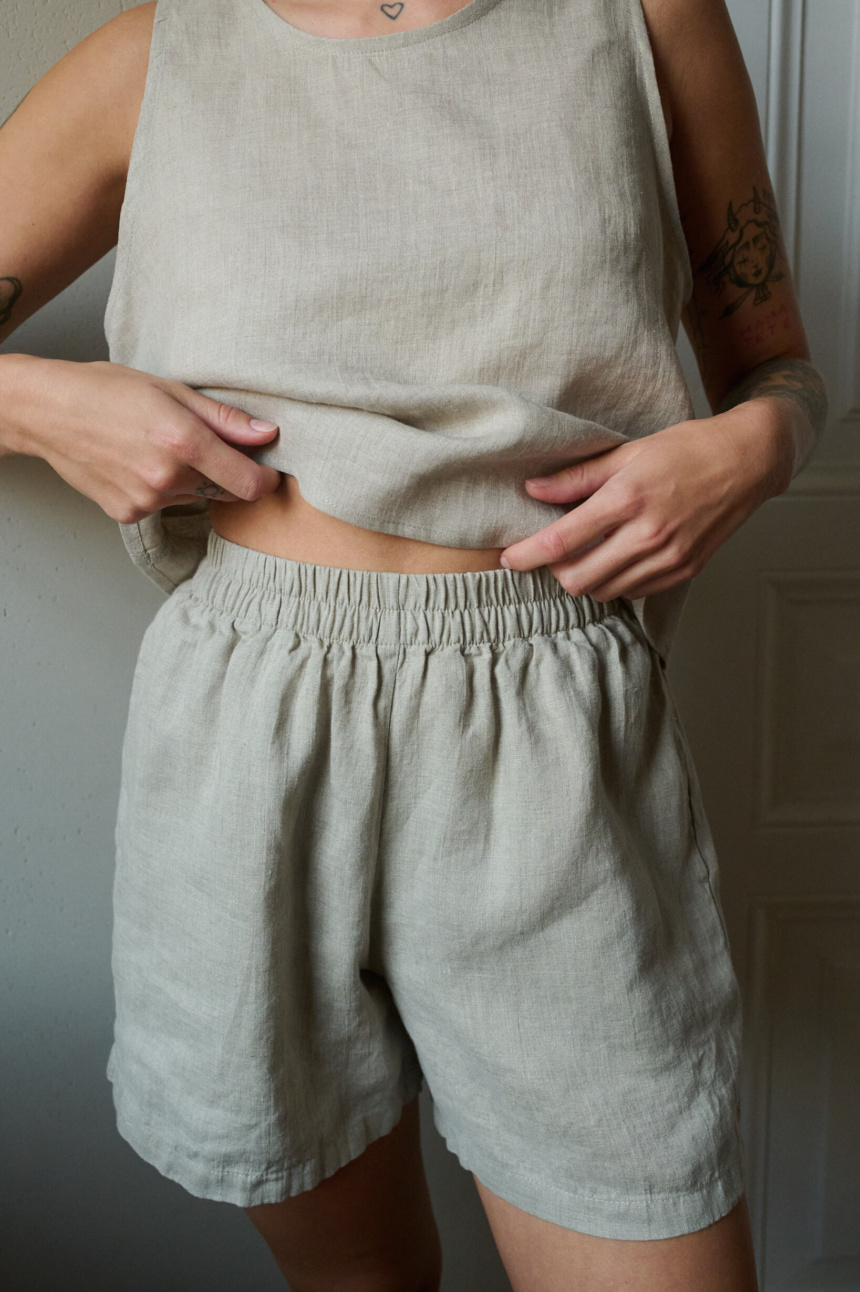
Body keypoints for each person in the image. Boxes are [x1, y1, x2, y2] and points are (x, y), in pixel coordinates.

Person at [0, 0, 827, 1288]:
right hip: (245, 732)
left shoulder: (644, 19)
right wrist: (45, 402)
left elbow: (776, 366)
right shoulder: (160, 50)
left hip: (548, 726)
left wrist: (760, 445)